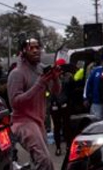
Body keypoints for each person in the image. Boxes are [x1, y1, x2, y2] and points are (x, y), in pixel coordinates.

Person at [7, 38, 61, 170]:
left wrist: (55, 78)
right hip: (23, 123)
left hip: (39, 121)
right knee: (44, 161)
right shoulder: (17, 73)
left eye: (38, 47)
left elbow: (56, 91)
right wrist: (40, 84)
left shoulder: (41, 69)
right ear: (23, 51)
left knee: (38, 162)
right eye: (31, 48)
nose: (36, 50)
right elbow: (15, 103)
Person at [49, 58, 73, 156]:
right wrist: (53, 103)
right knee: (57, 127)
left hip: (65, 105)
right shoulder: (51, 77)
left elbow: (71, 91)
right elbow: (49, 91)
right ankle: (58, 147)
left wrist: (67, 102)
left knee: (67, 126)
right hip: (55, 106)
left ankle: (68, 145)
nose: (60, 69)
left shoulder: (68, 76)